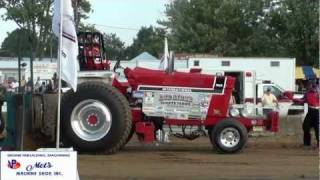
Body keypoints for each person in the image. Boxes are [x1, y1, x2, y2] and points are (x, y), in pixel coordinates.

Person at [299, 82, 319, 148]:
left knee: (317, 128)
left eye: (308, 86)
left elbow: (303, 100)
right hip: (311, 111)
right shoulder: (307, 93)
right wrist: (296, 100)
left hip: (318, 111)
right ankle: (307, 143)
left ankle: (318, 144)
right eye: (307, 86)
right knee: (305, 126)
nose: (307, 87)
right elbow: (303, 100)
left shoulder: (317, 92)